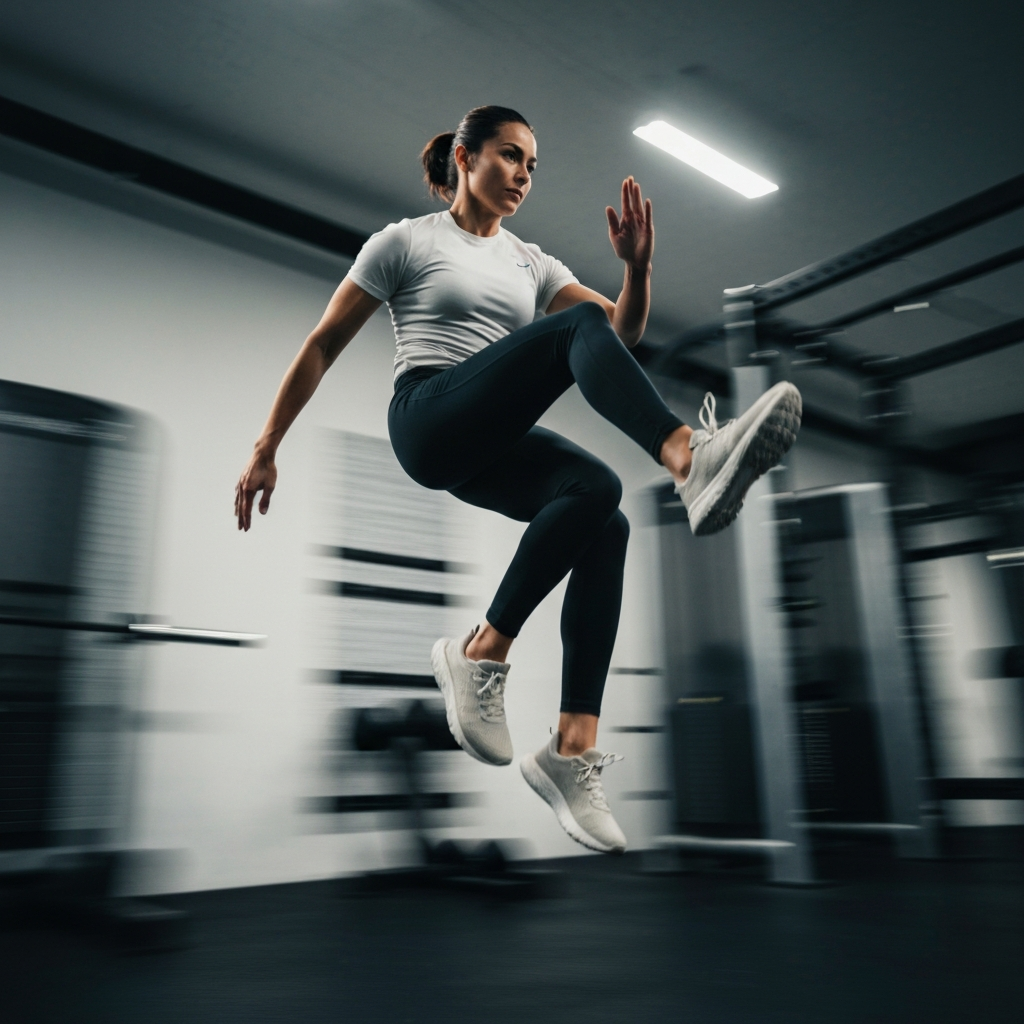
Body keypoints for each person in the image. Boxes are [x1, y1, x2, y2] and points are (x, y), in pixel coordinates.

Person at [234, 105, 801, 854]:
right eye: (510, 156)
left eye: (533, 166)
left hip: (489, 441)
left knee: (603, 505)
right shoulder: (405, 241)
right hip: (429, 416)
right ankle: (687, 456)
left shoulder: (533, 263)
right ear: (464, 158)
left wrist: (637, 269)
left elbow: (619, 335)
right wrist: (267, 443)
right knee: (574, 333)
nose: (524, 176)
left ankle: (559, 736)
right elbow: (321, 344)